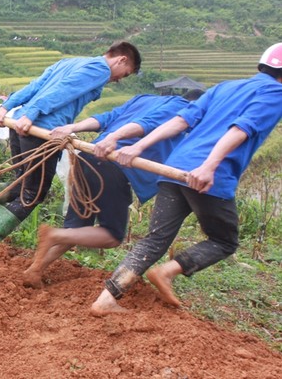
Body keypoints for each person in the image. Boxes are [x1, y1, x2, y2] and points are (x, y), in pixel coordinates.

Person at [90, 45, 282, 316]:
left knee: (155, 239)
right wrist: (208, 166)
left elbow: (181, 120)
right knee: (224, 241)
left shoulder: (224, 87)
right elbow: (241, 129)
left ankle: (106, 299)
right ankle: (167, 272)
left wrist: (138, 147)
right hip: (208, 176)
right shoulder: (276, 94)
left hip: (174, 168)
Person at [0, 41, 141, 245]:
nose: (119, 79)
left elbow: (36, 85)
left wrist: (6, 107)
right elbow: (63, 91)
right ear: (121, 59)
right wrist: (31, 114)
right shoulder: (100, 70)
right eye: (125, 73)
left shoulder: (69, 63)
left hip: (20, 124)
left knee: (21, 185)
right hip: (40, 131)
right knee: (32, 194)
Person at [22, 90, 204, 288]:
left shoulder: (143, 99)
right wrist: (115, 138)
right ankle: (54, 235)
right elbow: (146, 124)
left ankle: (34, 270)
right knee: (112, 236)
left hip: (88, 158)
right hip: (114, 166)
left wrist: (73, 127)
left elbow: (106, 117)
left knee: (76, 229)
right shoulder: (182, 108)